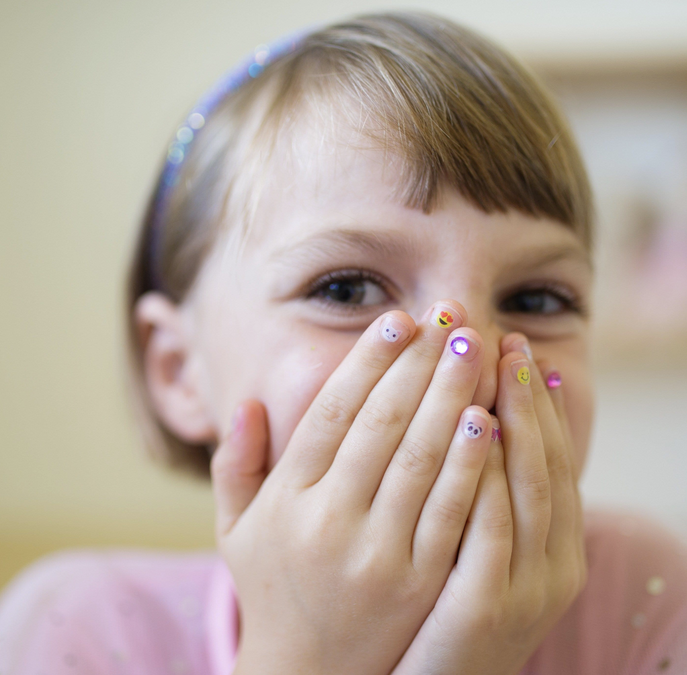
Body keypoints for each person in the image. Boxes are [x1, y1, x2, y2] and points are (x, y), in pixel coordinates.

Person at [1, 11, 686, 675]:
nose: (467, 355)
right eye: (348, 289)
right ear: (180, 371)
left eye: (535, 300)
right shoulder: (73, 624)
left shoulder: (647, 590)